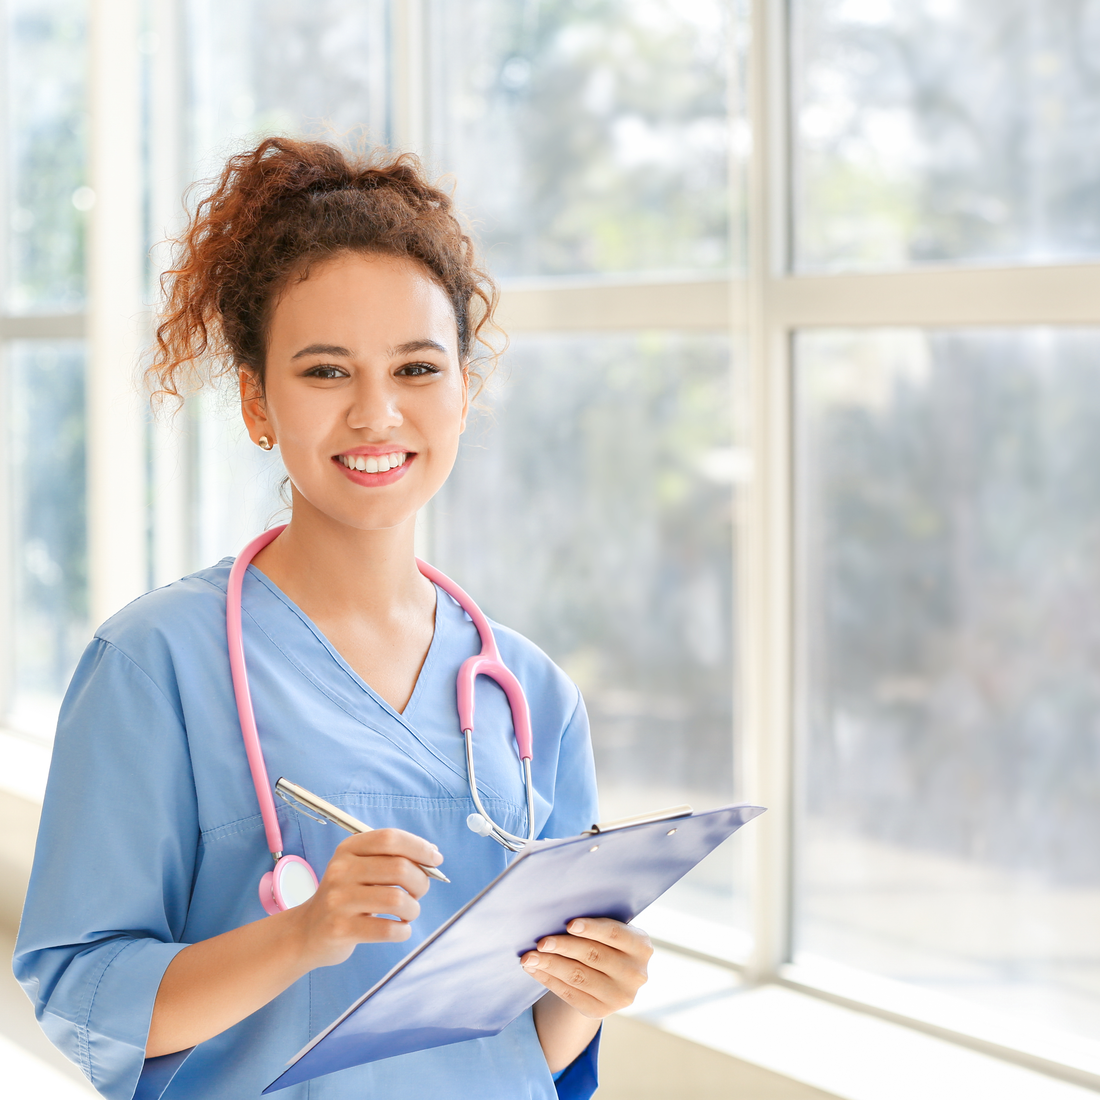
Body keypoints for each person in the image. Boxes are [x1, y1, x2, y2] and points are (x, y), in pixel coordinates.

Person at [13, 137, 652, 1100]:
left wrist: (589, 994)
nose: (376, 413)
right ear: (257, 401)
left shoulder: (533, 697)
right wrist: (301, 938)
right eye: (324, 372)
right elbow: (82, 995)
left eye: (417, 369)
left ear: (464, 394)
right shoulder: (156, 665)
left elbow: (520, 1055)